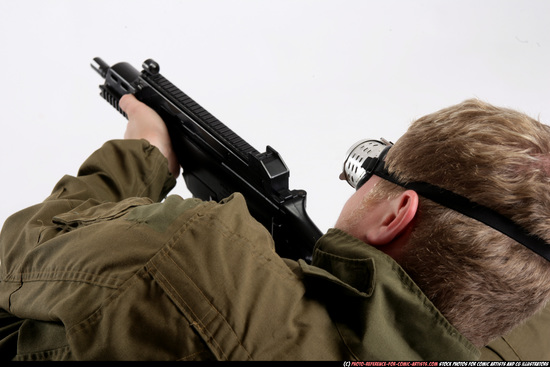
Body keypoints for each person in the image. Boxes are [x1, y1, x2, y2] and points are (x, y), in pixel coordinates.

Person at [0, 95, 549, 361]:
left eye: (372, 168)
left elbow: (21, 250)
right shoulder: (533, 337)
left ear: (396, 213)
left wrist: (142, 152)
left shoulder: (195, 257)